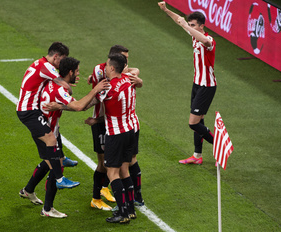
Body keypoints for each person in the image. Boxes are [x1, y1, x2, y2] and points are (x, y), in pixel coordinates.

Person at [20, 57, 110, 218]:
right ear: (70, 72)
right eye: (77, 71)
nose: (78, 74)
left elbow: (76, 105)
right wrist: (95, 90)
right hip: (47, 132)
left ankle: (28, 190)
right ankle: (48, 209)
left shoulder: (50, 84)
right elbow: (79, 106)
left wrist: (98, 97)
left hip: (49, 128)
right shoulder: (59, 89)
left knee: (50, 163)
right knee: (56, 166)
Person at [16, 42, 80, 216]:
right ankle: (57, 185)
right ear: (56, 56)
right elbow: (62, 82)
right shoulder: (46, 67)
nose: (62, 64)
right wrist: (68, 87)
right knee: (52, 151)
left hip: (33, 111)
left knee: (49, 158)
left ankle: (29, 190)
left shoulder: (40, 65)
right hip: (29, 111)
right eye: (63, 60)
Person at [85, 45, 144, 211]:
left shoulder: (116, 80)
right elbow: (135, 76)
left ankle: (126, 204)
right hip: (117, 125)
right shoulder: (106, 73)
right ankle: (119, 203)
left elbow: (92, 101)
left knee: (117, 167)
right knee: (115, 165)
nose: (127, 62)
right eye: (124, 59)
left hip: (116, 127)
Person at [158, 2, 216, 164]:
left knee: (193, 123)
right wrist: (166, 10)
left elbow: (205, 41)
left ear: (202, 26)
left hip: (207, 86)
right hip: (197, 85)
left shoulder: (208, 39)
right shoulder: (194, 34)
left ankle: (219, 145)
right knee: (199, 120)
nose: (190, 27)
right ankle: (197, 156)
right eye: (190, 25)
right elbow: (179, 20)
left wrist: (186, 26)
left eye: (193, 25)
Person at [95, 53, 137, 224]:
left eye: (106, 66)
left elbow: (85, 105)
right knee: (125, 171)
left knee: (112, 172)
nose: (104, 68)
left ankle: (122, 213)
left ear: (112, 68)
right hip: (130, 130)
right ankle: (131, 210)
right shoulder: (129, 80)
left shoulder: (108, 88)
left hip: (116, 133)